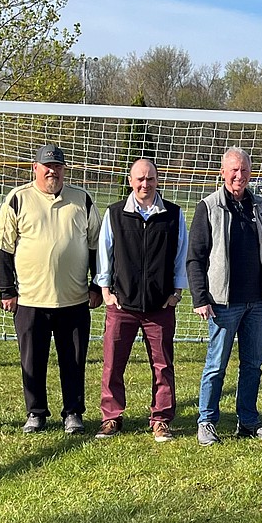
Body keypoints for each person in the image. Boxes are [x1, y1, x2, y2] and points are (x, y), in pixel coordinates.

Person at [0, 144, 102, 434]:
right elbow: (2, 246)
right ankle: (36, 413)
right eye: (47, 166)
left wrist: (95, 285)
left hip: (73, 298)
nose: (52, 171)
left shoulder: (82, 200)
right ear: (35, 168)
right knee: (32, 359)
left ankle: (73, 412)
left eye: (58, 166)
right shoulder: (18, 198)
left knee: (74, 360)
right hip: (30, 298)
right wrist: (7, 290)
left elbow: (96, 246)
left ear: (65, 169)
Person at [94, 158, 188, 443]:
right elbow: (104, 253)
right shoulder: (114, 214)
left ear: (157, 181)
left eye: (150, 179)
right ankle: (111, 417)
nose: (144, 184)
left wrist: (177, 291)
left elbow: (181, 254)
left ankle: (161, 419)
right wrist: (106, 291)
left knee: (162, 365)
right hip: (122, 305)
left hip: (159, 306)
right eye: (139, 179)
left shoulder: (173, 214)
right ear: (130, 181)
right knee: (112, 363)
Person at [187, 147, 262, 445]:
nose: (239, 175)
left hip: (256, 303)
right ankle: (207, 421)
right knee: (216, 365)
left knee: (253, 365)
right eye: (234, 170)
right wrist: (200, 297)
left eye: (245, 170)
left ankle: (248, 421)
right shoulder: (208, 206)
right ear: (223, 173)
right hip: (223, 304)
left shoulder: (260, 206)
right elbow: (195, 257)